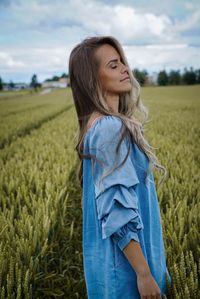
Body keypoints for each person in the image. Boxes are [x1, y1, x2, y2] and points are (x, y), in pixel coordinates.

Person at [68, 36, 172, 299]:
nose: (125, 69)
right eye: (113, 65)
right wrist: (144, 275)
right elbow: (118, 214)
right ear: (92, 78)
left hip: (112, 269)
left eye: (122, 62)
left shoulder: (99, 125)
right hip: (126, 275)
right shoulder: (109, 129)